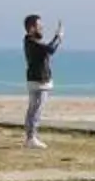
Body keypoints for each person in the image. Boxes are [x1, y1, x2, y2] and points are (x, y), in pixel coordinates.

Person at [21, 14, 64, 148]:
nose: (42, 28)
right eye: (39, 26)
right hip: (39, 81)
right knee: (36, 109)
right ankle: (31, 137)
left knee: (33, 109)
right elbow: (50, 49)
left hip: (36, 80)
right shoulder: (32, 42)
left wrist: (57, 39)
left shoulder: (31, 41)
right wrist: (58, 37)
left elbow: (48, 50)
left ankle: (30, 137)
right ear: (32, 28)